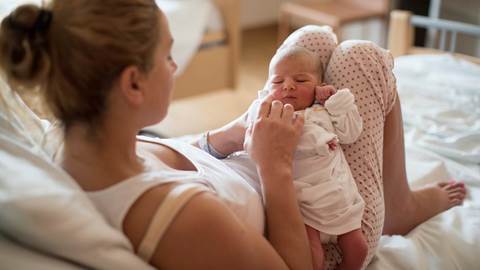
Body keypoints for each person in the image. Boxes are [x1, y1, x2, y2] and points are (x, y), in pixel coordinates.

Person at [0, 1, 466, 269]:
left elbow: (191, 162)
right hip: (319, 217)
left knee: (312, 43)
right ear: (133, 84)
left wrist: (222, 138)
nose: (174, 66)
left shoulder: (72, 143)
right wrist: (274, 166)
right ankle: (395, 207)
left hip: (264, 153)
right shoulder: (182, 218)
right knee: (362, 58)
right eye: (167, 56)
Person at [223, 45, 368, 270]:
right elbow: (253, 130)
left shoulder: (324, 112)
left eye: (301, 81)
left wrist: (334, 100)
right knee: (312, 257)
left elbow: (352, 133)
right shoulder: (270, 114)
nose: (288, 86)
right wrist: (264, 102)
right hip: (303, 204)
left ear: (318, 86)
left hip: (339, 200)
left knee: (359, 250)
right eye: (278, 82)